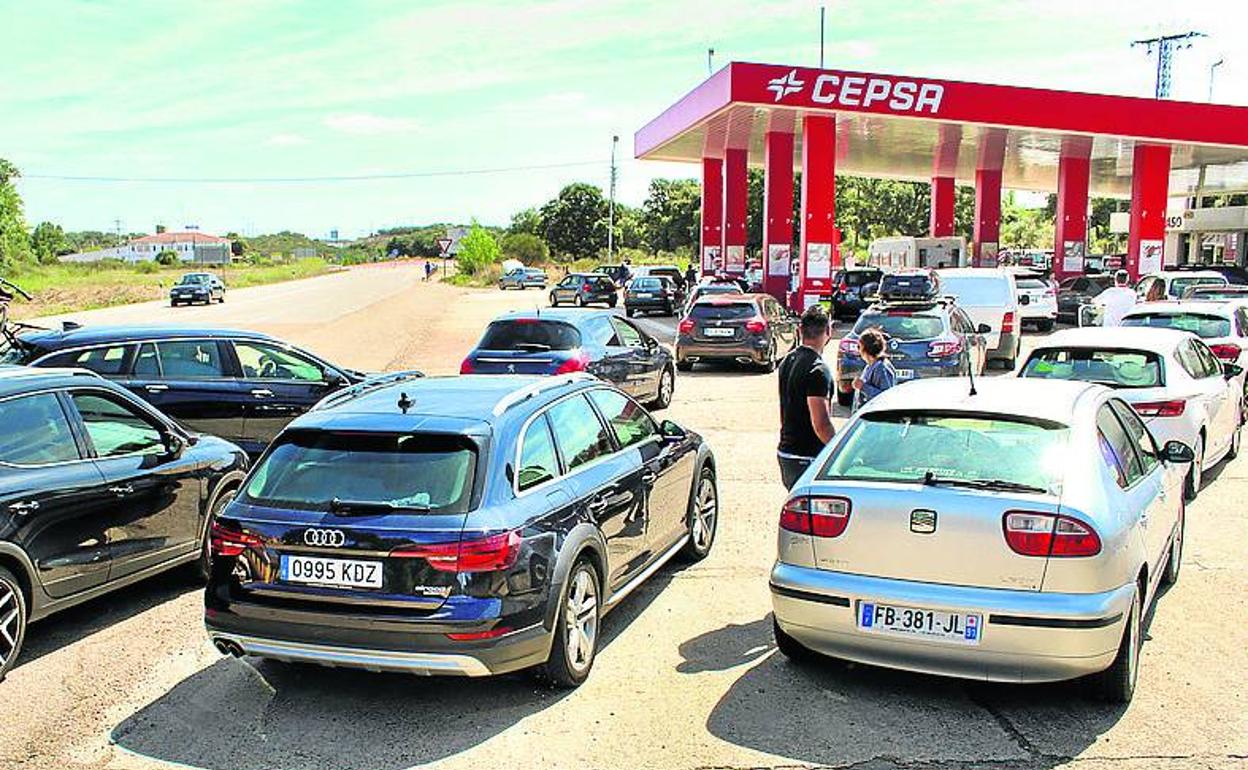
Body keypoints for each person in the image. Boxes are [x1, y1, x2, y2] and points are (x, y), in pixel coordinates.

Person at [777, 305, 836, 489]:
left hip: (786, 452)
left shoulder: (787, 360)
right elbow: (821, 424)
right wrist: (838, 450)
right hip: (807, 456)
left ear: (799, 330)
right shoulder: (818, 370)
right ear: (828, 331)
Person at [852, 329, 896, 410]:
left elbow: (886, 397)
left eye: (859, 346)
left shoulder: (882, 368)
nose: (858, 350)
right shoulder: (870, 366)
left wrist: (863, 387)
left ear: (866, 348)